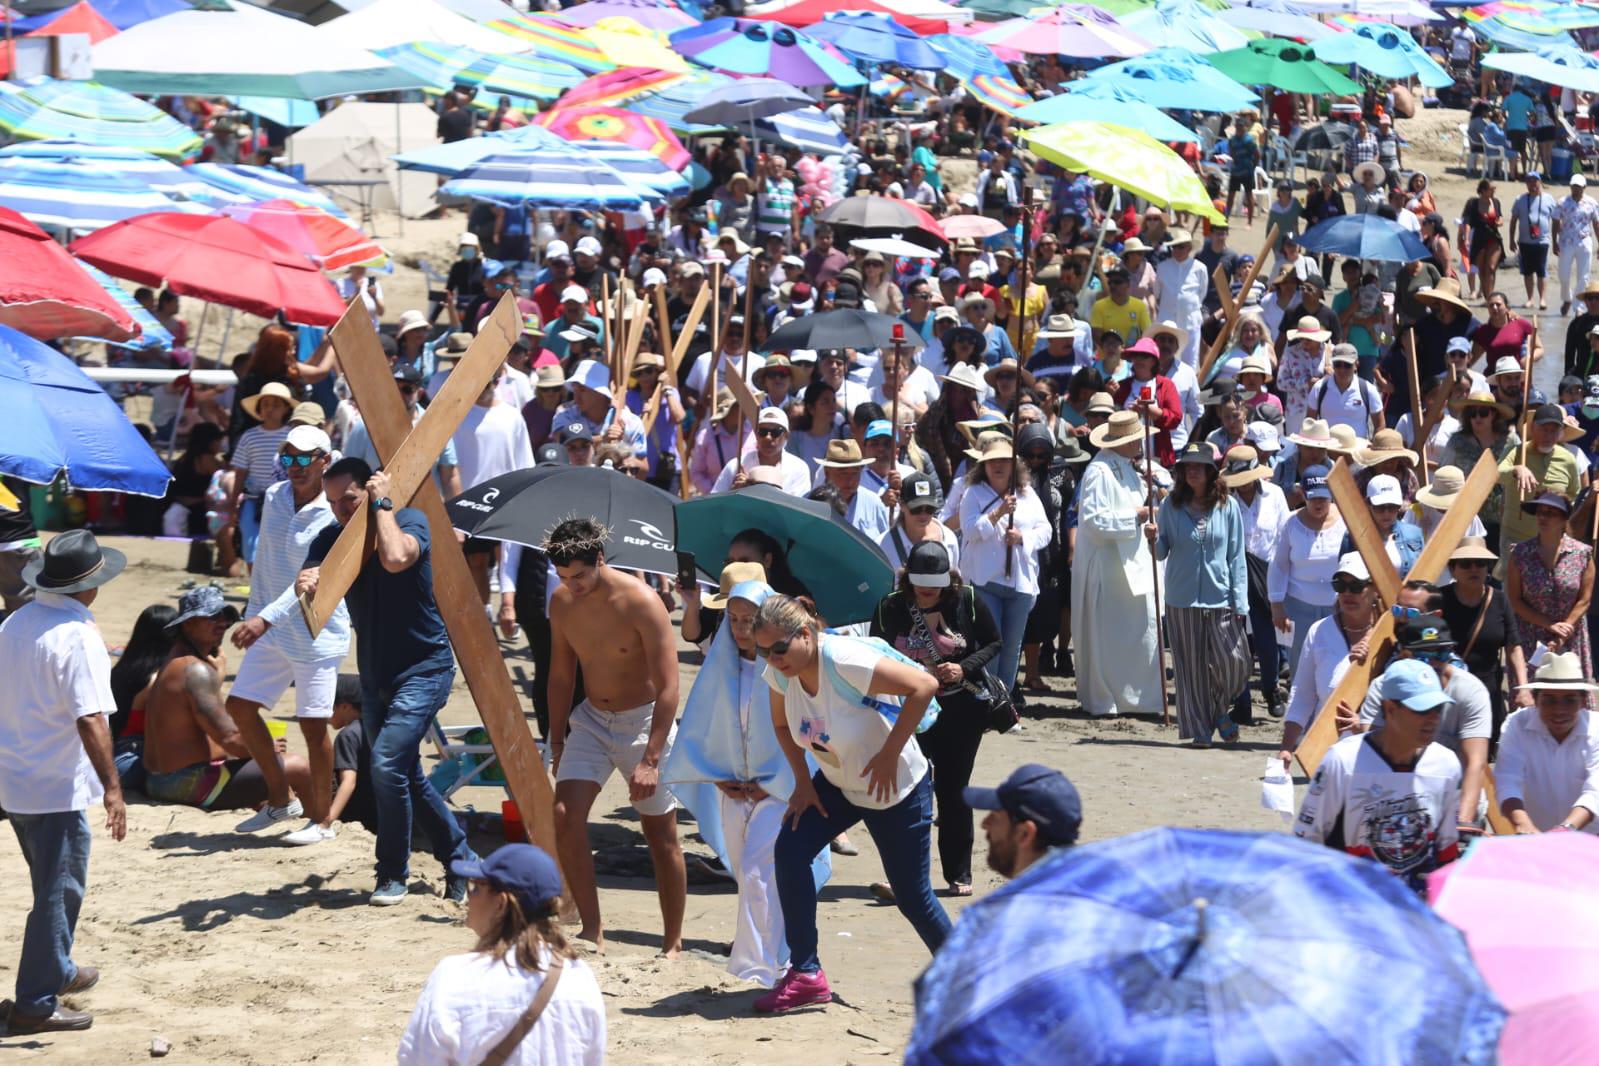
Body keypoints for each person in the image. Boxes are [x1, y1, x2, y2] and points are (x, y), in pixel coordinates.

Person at [754, 594, 949, 1013]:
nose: (772, 659)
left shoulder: (842, 660)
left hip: (894, 789)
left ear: (805, 634)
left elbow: (925, 686)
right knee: (790, 849)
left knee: (915, 898)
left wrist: (890, 752)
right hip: (839, 785)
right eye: (762, 651)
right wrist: (803, 783)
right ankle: (806, 973)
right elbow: (780, 723)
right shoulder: (781, 673)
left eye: (778, 649)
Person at [296, 458, 478, 906]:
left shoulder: (410, 520)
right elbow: (310, 583)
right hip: (377, 676)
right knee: (406, 774)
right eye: (333, 502)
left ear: (370, 491)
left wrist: (382, 503)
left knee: (386, 767)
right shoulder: (329, 537)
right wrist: (307, 579)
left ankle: (391, 873)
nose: (339, 511)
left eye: (349, 499)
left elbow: (396, 558)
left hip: (425, 668)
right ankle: (461, 858)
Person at [0, 531, 127, 1033]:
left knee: (49, 880)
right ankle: (34, 1000)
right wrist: (113, 789)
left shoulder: (16, 622)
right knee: (59, 888)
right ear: (91, 585)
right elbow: (91, 718)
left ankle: (58, 968)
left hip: (15, 776)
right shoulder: (77, 635)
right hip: (53, 784)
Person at [542, 517, 685, 954]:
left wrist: (652, 759)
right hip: (591, 720)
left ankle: (673, 942)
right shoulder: (562, 603)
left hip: (644, 723)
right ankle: (592, 930)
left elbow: (669, 687)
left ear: (600, 560)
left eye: (580, 575)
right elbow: (561, 675)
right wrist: (558, 735)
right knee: (565, 816)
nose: (573, 585)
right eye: (564, 577)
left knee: (661, 835)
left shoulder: (642, 601)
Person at [661, 578, 802, 986]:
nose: (741, 628)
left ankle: (758, 967)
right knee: (745, 873)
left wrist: (773, 780)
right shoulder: (718, 667)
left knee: (759, 870)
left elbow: (795, 730)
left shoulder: (784, 669)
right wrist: (719, 774)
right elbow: (706, 726)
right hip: (732, 787)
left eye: (750, 619)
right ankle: (779, 953)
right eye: (734, 619)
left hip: (777, 787)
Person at [223, 425, 349, 845]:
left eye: (304, 458)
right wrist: (254, 614)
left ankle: (323, 821)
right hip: (272, 628)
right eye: (288, 458)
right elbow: (267, 565)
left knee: (314, 729)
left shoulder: (335, 513)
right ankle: (281, 801)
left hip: (316, 632)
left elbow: (308, 581)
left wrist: (263, 620)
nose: (295, 467)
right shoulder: (275, 496)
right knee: (240, 707)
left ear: (324, 461)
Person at [870, 543, 1002, 896]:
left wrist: (963, 667)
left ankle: (959, 875)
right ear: (907, 578)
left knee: (952, 790)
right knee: (909, 790)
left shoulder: (967, 600)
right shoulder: (890, 606)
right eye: (920, 582)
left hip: (962, 711)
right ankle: (905, 877)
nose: (928, 590)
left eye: (935, 583)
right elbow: (875, 654)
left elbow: (993, 642)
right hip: (909, 711)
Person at [398, 844, 605, 1066]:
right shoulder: (578, 976)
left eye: (476, 887)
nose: (469, 896)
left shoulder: (453, 976)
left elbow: (417, 1059)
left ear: (501, 903)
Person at [1293, 659, 1462, 892]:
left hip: (1416, 910)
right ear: (1390, 709)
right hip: (1353, 904)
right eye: (1422, 710)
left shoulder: (1446, 764)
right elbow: (1305, 842)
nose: (1433, 719)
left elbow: (1447, 848)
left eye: (1438, 709)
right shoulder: (1343, 761)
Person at [143, 585, 314, 811]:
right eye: (213, 617)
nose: (222, 623)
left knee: (266, 770)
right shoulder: (195, 670)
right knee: (299, 767)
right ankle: (317, 823)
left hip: (158, 778)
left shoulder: (178, 660)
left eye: (225, 617)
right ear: (187, 623)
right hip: (181, 781)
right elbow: (230, 739)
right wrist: (265, 748)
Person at [1348, 615, 1493, 833]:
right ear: (1405, 654)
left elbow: (1475, 762)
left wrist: (1463, 822)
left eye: (1442, 653)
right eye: (1425, 655)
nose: (1435, 663)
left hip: (1456, 798)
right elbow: (1374, 754)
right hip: (1392, 799)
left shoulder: (1471, 690)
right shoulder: (1383, 688)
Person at [1148, 442, 1250, 746]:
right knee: (1190, 670)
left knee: (1236, 662)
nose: (1192, 471)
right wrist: (1152, 538)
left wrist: (1240, 600)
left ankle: (1220, 708)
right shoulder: (1170, 505)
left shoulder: (1227, 505)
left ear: (1210, 471)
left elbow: (1236, 556)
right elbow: (1162, 551)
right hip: (1181, 598)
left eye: (1198, 466)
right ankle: (1200, 730)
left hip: (1221, 597)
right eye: (1187, 466)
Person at [1073, 410, 1162, 718]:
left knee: (1142, 628)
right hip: (1108, 565)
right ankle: (1110, 697)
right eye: (1136, 439)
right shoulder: (1099, 471)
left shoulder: (1130, 467)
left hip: (1135, 560)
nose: (1140, 444)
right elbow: (1094, 521)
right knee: (1109, 635)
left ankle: (1141, 698)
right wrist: (1135, 516)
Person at [958, 434, 1052, 695]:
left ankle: (1005, 702)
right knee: (991, 644)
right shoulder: (973, 494)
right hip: (987, 580)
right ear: (983, 466)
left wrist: (1023, 538)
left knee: (1012, 646)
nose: (998, 466)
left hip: (1019, 581)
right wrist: (998, 513)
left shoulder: (1027, 494)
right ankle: (987, 700)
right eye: (992, 462)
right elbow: (969, 531)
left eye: (1003, 461)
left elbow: (1046, 530)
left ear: (1013, 465)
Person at [1276, 553, 1379, 766]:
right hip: (1330, 755)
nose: (1347, 593)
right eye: (1340, 585)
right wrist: (1286, 747)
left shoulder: (1390, 635)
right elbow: (1303, 693)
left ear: (1375, 589)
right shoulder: (1319, 631)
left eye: (1356, 586)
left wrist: (1367, 724)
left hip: (1380, 756)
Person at [1496, 651, 1599, 833]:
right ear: (1535, 700)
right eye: (1549, 701)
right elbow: (1507, 780)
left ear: (1584, 701)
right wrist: (1522, 824)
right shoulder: (1516, 725)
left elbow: (1595, 790)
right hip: (1534, 839)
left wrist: (1565, 830)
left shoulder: (1596, 729)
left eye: (1569, 701)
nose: (1559, 710)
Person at [1440, 537, 1530, 742]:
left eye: (1480, 563)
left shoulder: (1499, 599)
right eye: (1465, 563)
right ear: (1453, 569)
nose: (1474, 569)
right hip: (1448, 694)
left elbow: (1514, 647)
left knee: (1483, 759)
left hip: (1487, 695)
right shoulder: (1440, 600)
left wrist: (1523, 688)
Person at [1270, 465, 1349, 681]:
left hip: (1337, 606)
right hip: (1297, 606)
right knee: (1299, 665)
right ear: (1303, 494)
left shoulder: (1346, 521)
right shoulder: (1290, 523)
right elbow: (1278, 565)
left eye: (1323, 498)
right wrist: (1277, 605)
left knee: (1336, 664)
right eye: (1313, 498)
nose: (1318, 503)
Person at [1507, 490, 1595, 676]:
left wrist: (1563, 631)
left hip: (1570, 637)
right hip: (1532, 638)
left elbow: (1585, 599)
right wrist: (1549, 624)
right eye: (1540, 512)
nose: (1543, 517)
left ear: (1564, 519)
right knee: (1532, 697)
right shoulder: (1520, 553)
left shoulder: (1582, 554)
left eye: (1550, 513)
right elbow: (1514, 600)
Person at [964, 764, 1082, 880]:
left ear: (1024, 833)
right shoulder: (1092, 887)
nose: (984, 824)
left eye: (995, 816)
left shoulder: (1016, 899)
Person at [879, 471, 960, 572]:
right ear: (902, 505)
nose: (923, 515)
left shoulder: (949, 539)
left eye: (930, 509)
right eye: (916, 509)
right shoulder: (883, 545)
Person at [817, 439, 891, 540]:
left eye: (855, 473)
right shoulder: (811, 502)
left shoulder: (874, 504)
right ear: (827, 473)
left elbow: (883, 545)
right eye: (843, 473)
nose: (850, 480)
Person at [1509, 171, 1557, 311]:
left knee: (1541, 270)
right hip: (1524, 241)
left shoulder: (1549, 199)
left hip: (1542, 241)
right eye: (1529, 181)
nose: (1532, 184)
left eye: (1535, 181)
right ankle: (1530, 298)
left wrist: (1556, 239)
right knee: (1527, 271)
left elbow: (1556, 219)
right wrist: (1511, 240)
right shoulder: (1520, 199)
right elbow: (1513, 221)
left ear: (1540, 182)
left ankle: (1542, 299)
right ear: (1526, 184)